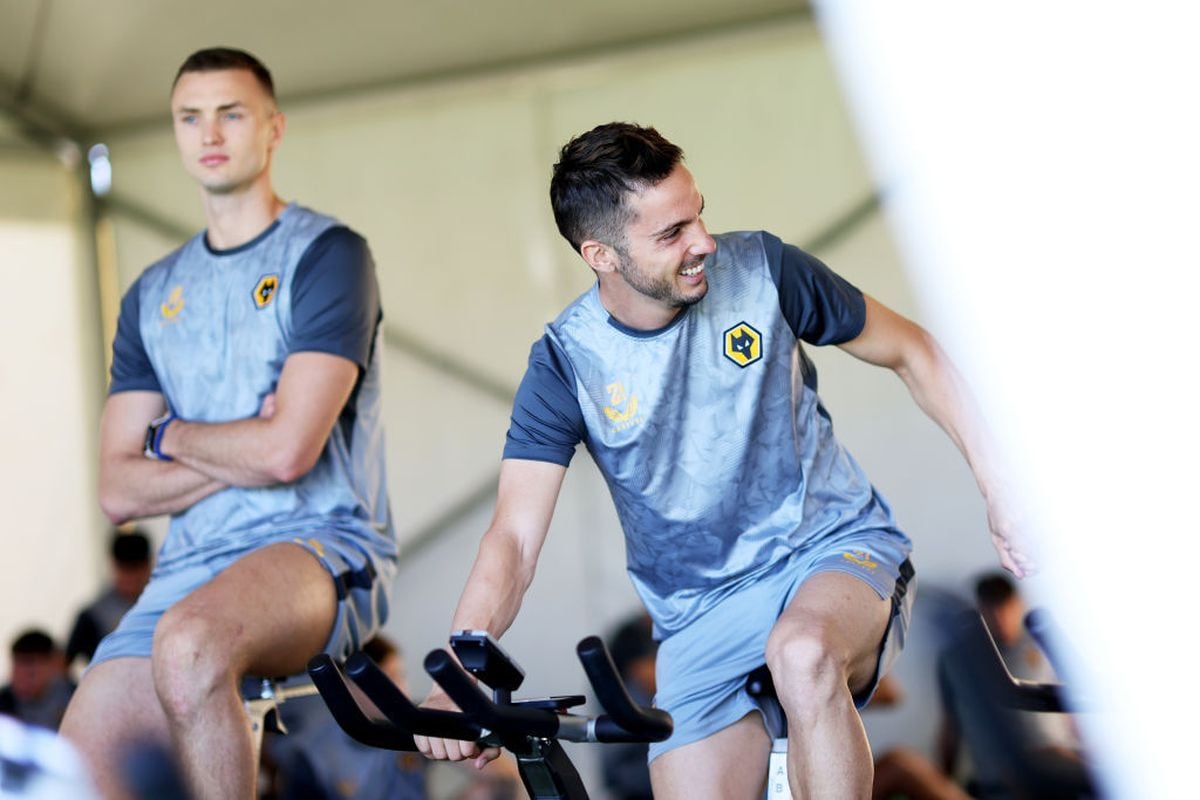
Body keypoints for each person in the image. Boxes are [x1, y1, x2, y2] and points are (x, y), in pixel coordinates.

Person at [414, 122, 1028, 798]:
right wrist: (464, 668)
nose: (703, 240)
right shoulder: (565, 363)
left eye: (698, 212)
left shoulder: (766, 271)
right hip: (699, 610)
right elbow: (514, 537)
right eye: (671, 233)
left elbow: (918, 352)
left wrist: (1001, 488)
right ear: (602, 255)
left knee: (803, 655)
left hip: (828, 549)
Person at [59, 47, 397, 800]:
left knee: (190, 645)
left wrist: (168, 436)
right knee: (73, 774)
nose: (208, 132)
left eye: (230, 112)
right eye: (190, 116)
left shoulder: (328, 255)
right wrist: (246, 436)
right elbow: (117, 491)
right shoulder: (152, 294)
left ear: (273, 129)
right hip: (186, 573)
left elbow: (287, 455)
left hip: (321, 545)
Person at [937, 572, 1086, 798]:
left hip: (1062, 764)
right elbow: (950, 727)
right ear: (981, 609)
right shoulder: (957, 659)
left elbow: (1070, 712)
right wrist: (945, 783)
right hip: (1003, 781)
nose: (1001, 618)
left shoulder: (1043, 645)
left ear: (1019, 604)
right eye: (992, 610)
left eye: (1006, 608)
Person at [275, 636, 426, 800]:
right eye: (389, 678)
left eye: (401, 675)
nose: (401, 689)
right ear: (350, 685)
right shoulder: (312, 757)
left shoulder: (417, 725)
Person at [64, 529, 153, 668]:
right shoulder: (92, 616)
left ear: (148, 566)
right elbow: (62, 667)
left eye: (135, 568)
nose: (131, 576)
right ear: (113, 565)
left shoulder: (166, 606)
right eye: (125, 568)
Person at [0, 629, 75, 730]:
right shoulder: (4, 702)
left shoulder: (73, 698)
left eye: (31, 674)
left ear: (53, 665)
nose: (22, 683)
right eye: (16, 674)